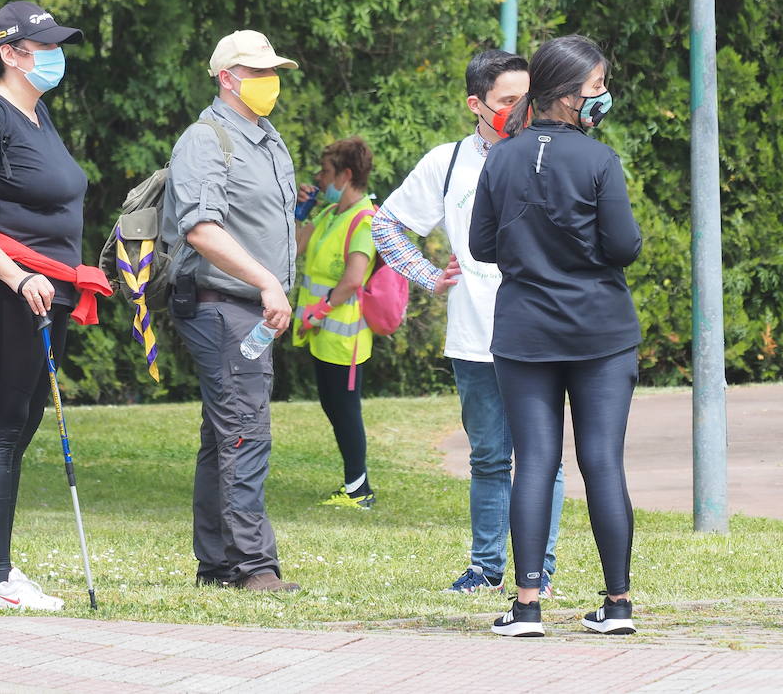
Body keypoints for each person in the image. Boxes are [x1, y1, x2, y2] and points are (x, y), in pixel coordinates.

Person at [372, 49, 565, 595]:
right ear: (475, 104)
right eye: (507, 101)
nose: (519, 110)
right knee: (487, 457)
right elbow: (385, 226)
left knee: (542, 460)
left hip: (544, 334)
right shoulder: (448, 163)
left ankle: (539, 570)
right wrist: (429, 274)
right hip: (474, 338)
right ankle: (485, 567)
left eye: (527, 99)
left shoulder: (552, 152)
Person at [469, 35, 643, 638]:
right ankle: (617, 605)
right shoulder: (599, 161)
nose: (602, 96)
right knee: (602, 463)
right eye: (596, 87)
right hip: (602, 332)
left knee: (534, 463)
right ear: (569, 98)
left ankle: (525, 608)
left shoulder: (502, 157)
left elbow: (480, 247)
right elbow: (625, 246)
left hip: (525, 332)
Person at [0, 1, 109, 611]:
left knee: (21, 427)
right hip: (12, 291)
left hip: (51, 287)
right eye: (45, 46)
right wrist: (17, 277)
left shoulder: (36, 111)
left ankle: (1, 574)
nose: (56, 55)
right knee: (2, 425)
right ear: (11, 53)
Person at [161, 29, 300, 593]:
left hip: (250, 311)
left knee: (225, 433)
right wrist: (268, 281)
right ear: (227, 77)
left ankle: (219, 562)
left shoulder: (266, 140)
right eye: (258, 72)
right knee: (245, 428)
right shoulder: (205, 139)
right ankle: (252, 565)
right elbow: (200, 228)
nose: (270, 83)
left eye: (273, 73)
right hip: (223, 307)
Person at [292, 137, 380, 508]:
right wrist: (302, 210)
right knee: (332, 405)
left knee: (345, 409)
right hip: (321, 334)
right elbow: (293, 248)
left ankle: (359, 490)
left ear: (345, 175)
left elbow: (353, 279)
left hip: (344, 338)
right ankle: (354, 484)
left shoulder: (365, 220)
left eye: (325, 172)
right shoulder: (328, 215)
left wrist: (320, 310)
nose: (318, 177)